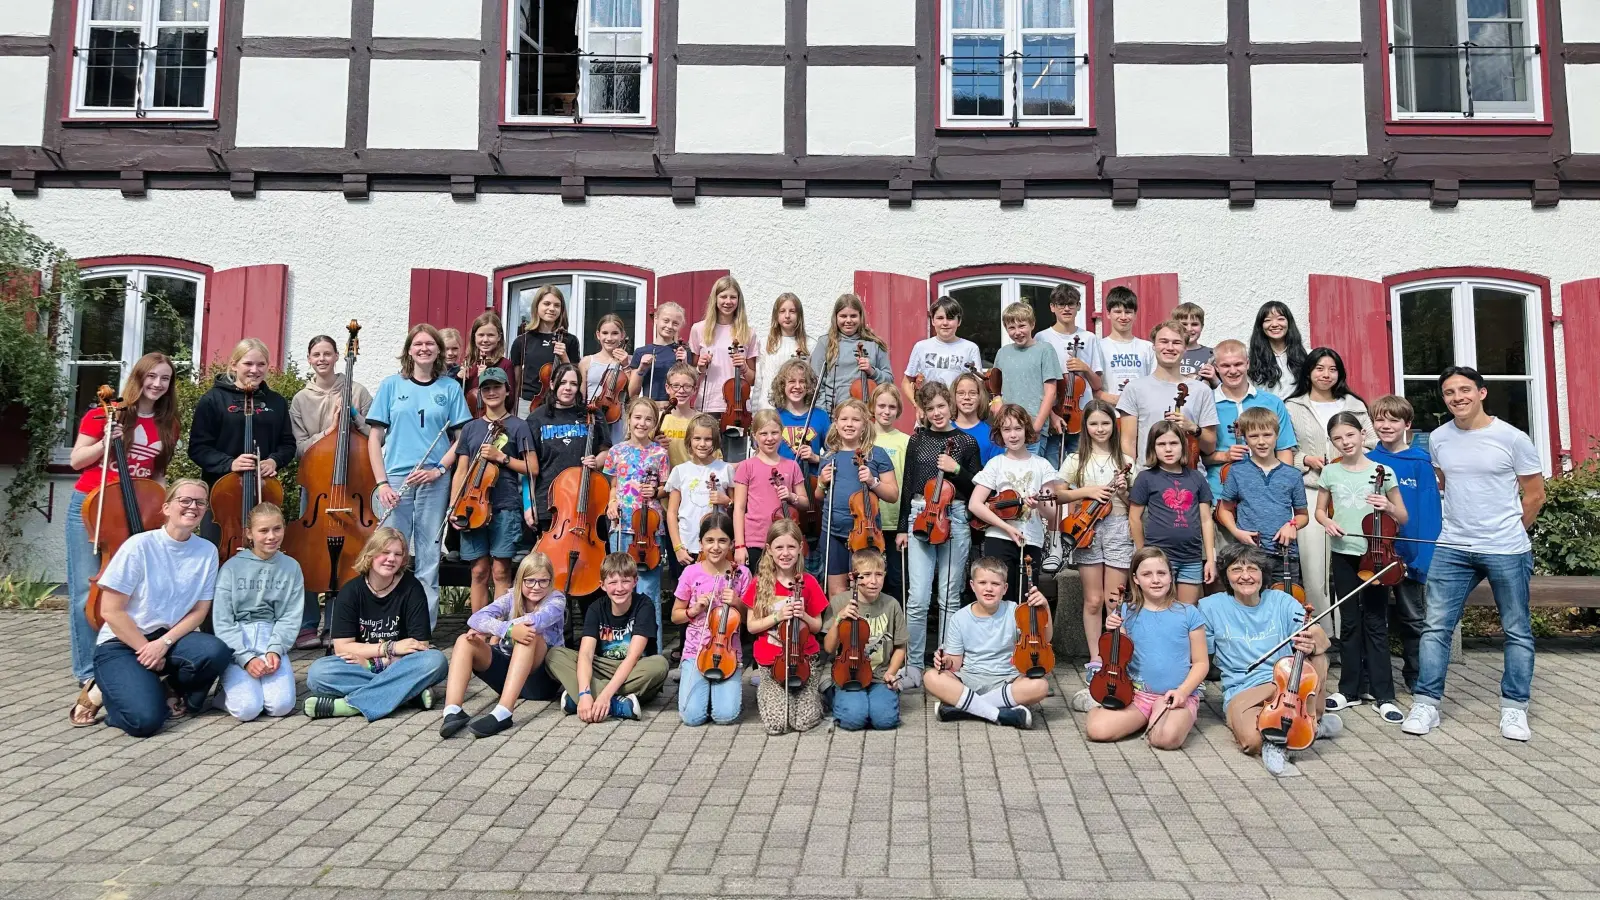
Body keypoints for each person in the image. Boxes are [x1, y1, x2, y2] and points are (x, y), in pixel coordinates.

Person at [1402, 367, 1544, 742]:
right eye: (1449, 392)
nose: (1457, 397)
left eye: (1465, 389)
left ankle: (1514, 709)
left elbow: (1534, 494)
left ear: (1481, 393)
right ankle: (1426, 704)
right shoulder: (1438, 438)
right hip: (1453, 546)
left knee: (1517, 630)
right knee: (1435, 627)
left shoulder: (1512, 438)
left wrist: (1514, 530)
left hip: (1505, 548)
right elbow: (1445, 483)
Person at [67, 352, 178, 727]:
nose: (157, 384)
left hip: (138, 512)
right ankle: (87, 670)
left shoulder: (167, 423)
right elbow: (77, 460)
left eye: (165, 379)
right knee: (89, 593)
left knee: (137, 595)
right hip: (95, 505)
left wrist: (160, 516)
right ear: (139, 378)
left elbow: (158, 476)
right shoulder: (105, 414)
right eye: (152, 377)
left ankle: (126, 661)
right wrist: (105, 444)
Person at [91, 479, 231, 738]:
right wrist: (146, 648)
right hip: (122, 641)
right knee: (144, 722)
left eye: (200, 502)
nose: (193, 507)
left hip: (168, 639)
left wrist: (163, 644)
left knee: (216, 651)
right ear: (166, 508)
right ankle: (105, 692)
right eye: (185, 500)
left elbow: (199, 611)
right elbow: (110, 611)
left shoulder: (207, 550)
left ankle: (169, 690)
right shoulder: (140, 545)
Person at [1201, 544, 1340, 775]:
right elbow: (1198, 656)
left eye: (1252, 569)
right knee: (1253, 742)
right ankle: (1305, 731)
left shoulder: (1282, 601)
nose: (1245, 576)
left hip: (1286, 686)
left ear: (1262, 573)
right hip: (1243, 689)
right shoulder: (1210, 607)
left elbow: (1322, 639)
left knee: (1319, 657)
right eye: (1236, 569)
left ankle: (1311, 721)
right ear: (1226, 574)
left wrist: (1312, 642)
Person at [366, 323, 469, 627]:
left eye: (430, 344)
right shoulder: (390, 386)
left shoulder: (450, 388)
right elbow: (375, 438)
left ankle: (423, 627)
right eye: (418, 344)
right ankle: (387, 623)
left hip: (434, 481)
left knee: (427, 555)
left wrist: (440, 468)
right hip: (397, 479)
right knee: (390, 553)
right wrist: (382, 483)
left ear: (439, 350)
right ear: (409, 349)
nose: (424, 348)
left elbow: (462, 437)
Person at [1315, 411, 1408, 722]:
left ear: (1360, 434)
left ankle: (1384, 694)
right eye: (1338, 439)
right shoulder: (1330, 472)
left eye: (1350, 435)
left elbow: (1402, 516)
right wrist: (1328, 523)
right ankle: (1348, 690)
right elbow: (1319, 512)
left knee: (1375, 623)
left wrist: (1388, 506)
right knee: (1350, 622)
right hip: (1344, 552)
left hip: (1376, 556)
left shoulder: (1384, 470)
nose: (1345, 442)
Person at [304, 527, 448, 719]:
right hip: (366, 665)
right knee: (318, 673)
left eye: (398, 554)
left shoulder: (412, 588)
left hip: (398, 665)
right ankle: (409, 693)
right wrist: (389, 650)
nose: (391, 559)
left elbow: (420, 646)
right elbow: (342, 648)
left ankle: (350, 705)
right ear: (370, 554)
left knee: (435, 661)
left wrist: (378, 663)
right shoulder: (351, 592)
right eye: (385, 552)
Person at [288, 334, 374, 647]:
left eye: (328, 353)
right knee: (307, 553)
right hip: (316, 488)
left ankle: (339, 624)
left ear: (338, 356)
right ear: (309, 359)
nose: (322, 359)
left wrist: (354, 417)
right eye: (316, 354)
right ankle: (309, 623)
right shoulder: (301, 399)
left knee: (350, 556)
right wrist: (328, 431)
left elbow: (375, 437)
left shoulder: (358, 391)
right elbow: (298, 449)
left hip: (352, 489)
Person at [1078, 547, 1208, 749]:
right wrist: (1114, 631)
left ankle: (1162, 717)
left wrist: (1183, 691)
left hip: (1175, 695)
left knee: (1165, 740)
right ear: (1136, 579)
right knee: (1097, 731)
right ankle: (1115, 709)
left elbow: (1201, 663)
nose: (1155, 580)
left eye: (1161, 573)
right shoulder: (1126, 612)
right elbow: (1118, 658)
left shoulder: (1188, 613)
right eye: (1147, 574)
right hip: (1137, 695)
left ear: (1170, 577)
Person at [898, 381, 982, 690]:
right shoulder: (917, 440)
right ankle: (914, 666)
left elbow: (978, 485)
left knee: (949, 597)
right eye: (930, 408)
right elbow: (908, 482)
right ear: (922, 410)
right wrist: (900, 531)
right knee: (918, 598)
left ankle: (947, 663)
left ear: (951, 405)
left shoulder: (966, 442)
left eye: (941, 406)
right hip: (920, 515)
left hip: (955, 517)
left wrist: (956, 468)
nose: (936, 413)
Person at [1048, 399, 1134, 685]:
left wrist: (1122, 492)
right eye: (1094, 423)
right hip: (1087, 531)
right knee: (1094, 600)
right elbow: (1059, 494)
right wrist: (1088, 491)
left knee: (1115, 600)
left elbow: (1136, 504)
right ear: (1085, 426)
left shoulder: (1125, 459)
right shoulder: (1076, 459)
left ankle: (1117, 657)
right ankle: (1096, 658)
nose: (1100, 429)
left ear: (1114, 425)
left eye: (1105, 423)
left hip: (1119, 528)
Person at [1286, 347, 1374, 618]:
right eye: (1319, 369)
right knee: (1314, 566)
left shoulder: (1353, 404)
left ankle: (1351, 627)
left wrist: (1347, 460)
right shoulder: (1293, 406)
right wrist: (1306, 460)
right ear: (1309, 372)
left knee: (1351, 560)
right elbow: (1287, 450)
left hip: (1350, 492)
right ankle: (1322, 632)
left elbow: (1371, 442)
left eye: (1332, 369)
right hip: (1311, 490)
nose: (1326, 375)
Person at [440, 550, 565, 738]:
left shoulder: (556, 600)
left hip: (541, 680)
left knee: (527, 634)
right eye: (530, 581)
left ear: (550, 581)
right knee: (465, 641)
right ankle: (452, 710)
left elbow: (534, 622)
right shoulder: (511, 597)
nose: (536, 587)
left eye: (543, 581)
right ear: (520, 580)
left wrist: (495, 628)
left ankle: (503, 713)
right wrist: (506, 630)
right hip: (509, 673)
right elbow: (476, 618)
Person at [187, 338, 296, 543]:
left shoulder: (276, 402)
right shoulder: (213, 399)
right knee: (217, 547)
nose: (255, 370)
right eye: (248, 363)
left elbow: (288, 444)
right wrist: (230, 463)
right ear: (234, 365)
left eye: (261, 364)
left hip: (263, 489)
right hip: (221, 494)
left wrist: (274, 460)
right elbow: (198, 448)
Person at [922, 556, 1050, 729]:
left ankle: (965, 708)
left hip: (1007, 680)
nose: (989, 589)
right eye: (982, 583)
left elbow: (1045, 639)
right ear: (972, 585)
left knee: (1040, 686)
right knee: (931, 677)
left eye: (995, 584)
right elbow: (955, 664)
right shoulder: (960, 618)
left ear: (1004, 588)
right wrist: (945, 662)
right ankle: (1000, 714)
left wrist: (1045, 608)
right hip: (969, 680)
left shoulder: (1016, 611)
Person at [1368, 394, 1441, 692]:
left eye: (1393, 420)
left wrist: (1424, 556)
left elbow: (1429, 512)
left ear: (1407, 424)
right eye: (1380, 419)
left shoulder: (1419, 463)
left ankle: (1417, 677)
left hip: (1410, 553)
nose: (1385, 425)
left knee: (1413, 619)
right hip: (1375, 554)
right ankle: (1376, 679)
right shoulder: (1369, 461)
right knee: (1374, 619)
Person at [448, 367, 534, 613]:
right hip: (471, 506)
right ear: (479, 393)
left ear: (507, 390)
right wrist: (455, 505)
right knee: (478, 570)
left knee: (500, 570)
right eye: (486, 388)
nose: (492, 392)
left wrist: (502, 458)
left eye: (497, 387)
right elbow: (461, 469)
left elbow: (532, 467)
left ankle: (498, 631)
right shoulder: (471, 428)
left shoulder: (519, 426)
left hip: (505, 506)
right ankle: (478, 628)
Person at [547, 553, 670, 722]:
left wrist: (604, 695)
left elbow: (632, 657)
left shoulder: (644, 605)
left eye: (626, 581)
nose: (619, 588)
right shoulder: (596, 608)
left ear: (635, 582)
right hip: (602, 666)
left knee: (660, 665)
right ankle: (616, 704)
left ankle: (580, 699)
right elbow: (586, 655)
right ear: (602, 585)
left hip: (634, 669)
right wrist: (584, 694)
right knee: (554, 655)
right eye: (612, 582)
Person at [212, 503, 303, 722]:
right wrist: (245, 657)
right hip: (238, 640)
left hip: (270, 635)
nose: (271, 536)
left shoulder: (291, 567)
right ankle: (222, 694)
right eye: (263, 531)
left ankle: (258, 683)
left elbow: (290, 615)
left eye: (277, 529)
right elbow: (223, 619)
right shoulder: (232, 568)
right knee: (247, 710)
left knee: (281, 706)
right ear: (249, 533)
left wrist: (275, 649)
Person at [595, 397, 671, 647]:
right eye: (638, 417)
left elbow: (665, 488)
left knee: (648, 591)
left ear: (654, 423)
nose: (642, 423)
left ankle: (652, 651)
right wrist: (612, 502)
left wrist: (656, 492)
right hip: (622, 526)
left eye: (648, 419)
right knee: (619, 588)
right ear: (629, 419)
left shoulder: (660, 453)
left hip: (649, 530)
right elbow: (613, 485)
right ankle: (618, 648)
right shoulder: (617, 451)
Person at [741, 519, 830, 734]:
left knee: (802, 723)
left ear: (800, 548)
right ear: (769, 550)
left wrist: (804, 615)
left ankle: (817, 698)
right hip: (771, 662)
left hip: (803, 661)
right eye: (779, 547)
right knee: (777, 725)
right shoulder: (760, 583)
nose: (785, 553)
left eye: (791, 547)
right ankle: (770, 691)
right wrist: (777, 616)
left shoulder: (808, 582)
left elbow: (817, 626)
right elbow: (751, 626)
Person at [970, 404, 1060, 602]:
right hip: (999, 537)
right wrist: (1006, 527)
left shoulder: (1042, 465)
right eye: (1006, 429)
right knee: (999, 597)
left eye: (1018, 428)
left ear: (1026, 430)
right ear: (1000, 432)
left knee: (1027, 598)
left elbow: (1051, 513)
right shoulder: (996, 463)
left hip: (1031, 539)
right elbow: (975, 504)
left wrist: (1038, 505)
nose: (1013, 435)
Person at [671, 513, 751, 726]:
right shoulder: (691, 573)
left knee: (725, 716)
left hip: (728, 654)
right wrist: (694, 609)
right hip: (696, 652)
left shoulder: (741, 574)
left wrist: (737, 602)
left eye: (722, 541)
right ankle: (705, 694)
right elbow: (675, 616)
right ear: (700, 543)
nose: (715, 547)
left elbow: (749, 622)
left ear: (731, 544)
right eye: (710, 540)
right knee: (692, 717)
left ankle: (720, 694)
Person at [815, 398, 898, 597]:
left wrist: (872, 481)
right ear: (836, 422)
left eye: (855, 420)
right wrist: (821, 482)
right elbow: (818, 497)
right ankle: (841, 628)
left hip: (866, 533)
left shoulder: (875, 454)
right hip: (833, 532)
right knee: (836, 592)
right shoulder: (828, 456)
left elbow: (893, 494)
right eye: (844, 419)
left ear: (864, 424)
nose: (849, 424)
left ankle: (862, 628)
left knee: (864, 591)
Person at [1215, 406, 1308, 582]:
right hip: (1249, 555)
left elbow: (1303, 515)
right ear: (1245, 438)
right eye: (1254, 436)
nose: (1261, 442)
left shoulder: (1292, 474)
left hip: (1285, 554)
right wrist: (1237, 532)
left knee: (1284, 604)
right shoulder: (1237, 471)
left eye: (1267, 435)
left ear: (1277, 435)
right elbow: (1224, 509)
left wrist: (1292, 525)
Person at [1129, 421, 1216, 604]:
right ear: (1153, 447)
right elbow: (1134, 518)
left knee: (1185, 612)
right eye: (1161, 444)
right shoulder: (1146, 478)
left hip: (1191, 558)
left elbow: (1206, 520)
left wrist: (1210, 558)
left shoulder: (1196, 478)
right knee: (1158, 609)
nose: (1168, 449)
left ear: (1183, 446)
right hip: (1158, 557)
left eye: (1173, 443)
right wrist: (1142, 553)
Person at [821, 549, 907, 731]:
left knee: (885, 721)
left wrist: (890, 673)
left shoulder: (891, 604)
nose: (873, 581)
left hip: (879, 676)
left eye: (879, 575)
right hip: (848, 675)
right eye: (866, 575)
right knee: (854, 720)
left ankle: (872, 704)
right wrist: (839, 619)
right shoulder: (839, 602)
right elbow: (829, 648)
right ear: (854, 577)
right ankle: (840, 698)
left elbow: (900, 647)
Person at [1116, 320, 1218, 472]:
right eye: (1164, 341)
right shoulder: (1134, 388)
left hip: (1190, 478)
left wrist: (1193, 428)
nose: (1170, 347)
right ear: (1154, 346)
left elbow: (1209, 447)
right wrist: (1130, 479)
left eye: (1177, 343)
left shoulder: (1201, 390)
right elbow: (1128, 443)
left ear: (1185, 348)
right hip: (1148, 478)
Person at [1205, 339, 1295, 500]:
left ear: (1247, 364)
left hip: (1266, 493)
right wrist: (1224, 456)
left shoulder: (1272, 402)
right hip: (1219, 493)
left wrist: (1281, 488)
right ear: (1216, 368)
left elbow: (1284, 450)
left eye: (1238, 364)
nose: (1233, 371)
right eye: (1225, 366)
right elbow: (1197, 456)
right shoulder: (1206, 403)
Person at [688, 275, 759, 461]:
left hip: (737, 410)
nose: (728, 302)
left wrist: (743, 367)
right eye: (723, 296)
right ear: (715, 299)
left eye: (732, 297)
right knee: (705, 460)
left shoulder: (748, 332)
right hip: (708, 403)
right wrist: (700, 366)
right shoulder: (699, 329)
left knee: (735, 461)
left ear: (739, 300)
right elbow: (692, 375)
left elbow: (751, 379)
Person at [732, 409, 809, 574]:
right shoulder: (747, 466)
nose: (769, 438)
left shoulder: (791, 465)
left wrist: (791, 496)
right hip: (755, 539)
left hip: (785, 543)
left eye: (774, 433)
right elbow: (739, 508)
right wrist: (739, 545)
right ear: (754, 435)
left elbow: (804, 502)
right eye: (763, 433)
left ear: (781, 434)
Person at [1035, 283, 1104, 464]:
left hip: (1082, 417)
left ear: (1078, 306)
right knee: (1051, 468)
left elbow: (1097, 385)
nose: (1066, 309)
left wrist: (1085, 368)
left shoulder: (1089, 338)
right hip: (1053, 415)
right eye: (1060, 304)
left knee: (1080, 469)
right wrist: (1051, 414)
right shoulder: (1042, 338)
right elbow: (1037, 384)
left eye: (1071, 304)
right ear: (1052, 307)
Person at [990, 301, 1061, 456]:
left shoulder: (1044, 350)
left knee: (1032, 476)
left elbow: (1050, 393)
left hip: (1034, 429)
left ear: (1032, 324)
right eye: (1011, 328)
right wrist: (999, 409)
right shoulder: (1003, 353)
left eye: (1022, 326)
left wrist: (1036, 426)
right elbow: (997, 389)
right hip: (1009, 429)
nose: (1017, 332)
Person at [666, 414, 735, 572]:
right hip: (687, 546)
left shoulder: (725, 469)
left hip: (717, 547)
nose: (702, 444)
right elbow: (671, 513)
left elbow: (737, 508)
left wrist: (727, 501)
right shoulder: (680, 471)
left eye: (708, 439)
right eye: (697, 438)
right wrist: (678, 547)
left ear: (715, 441)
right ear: (689, 440)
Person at [809, 292, 892, 413]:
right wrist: (823, 413)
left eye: (853, 316)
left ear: (860, 317)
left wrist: (872, 371)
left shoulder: (874, 344)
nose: (848, 320)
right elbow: (815, 382)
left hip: (867, 413)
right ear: (836, 317)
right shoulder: (825, 343)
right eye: (843, 316)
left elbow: (889, 380)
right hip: (834, 413)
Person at [902, 296, 981, 416]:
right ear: (933, 321)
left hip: (959, 416)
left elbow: (978, 384)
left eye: (950, 318)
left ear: (958, 321)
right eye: (940, 318)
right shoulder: (921, 347)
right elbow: (906, 382)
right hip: (930, 414)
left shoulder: (970, 348)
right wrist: (917, 405)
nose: (945, 323)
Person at [509, 284, 581, 416]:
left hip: (559, 404)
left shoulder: (570, 340)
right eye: (546, 304)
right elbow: (515, 380)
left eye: (557, 305)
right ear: (537, 306)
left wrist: (564, 357)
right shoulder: (522, 341)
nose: (551, 309)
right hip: (527, 404)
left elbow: (575, 376)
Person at [871, 383, 910, 603]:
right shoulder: (864, 438)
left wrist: (904, 524)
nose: (886, 411)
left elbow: (908, 484)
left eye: (892, 407)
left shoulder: (905, 441)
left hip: (895, 520)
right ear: (873, 407)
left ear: (898, 410)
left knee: (897, 579)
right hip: (868, 521)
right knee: (871, 577)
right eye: (882, 406)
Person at [578, 313, 635, 444]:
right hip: (591, 417)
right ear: (598, 335)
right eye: (605, 333)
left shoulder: (630, 361)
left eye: (614, 333)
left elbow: (633, 394)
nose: (609, 338)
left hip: (618, 418)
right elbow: (581, 395)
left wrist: (626, 365)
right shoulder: (587, 361)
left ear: (622, 335)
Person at [752, 292, 809, 412]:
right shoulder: (765, 343)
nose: (787, 316)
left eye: (792, 311)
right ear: (776, 315)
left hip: (797, 410)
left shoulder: (809, 345)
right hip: (768, 408)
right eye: (782, 311)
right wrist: (755, 410)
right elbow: (759, 379)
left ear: (799, 315)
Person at [1098, 287, 1154, 405]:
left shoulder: (1147, 347)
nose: (1123, 317)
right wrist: (1113, 399)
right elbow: (1090, 387)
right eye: (1118, 312)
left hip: (1140, 413)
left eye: (1128, 312)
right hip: (1109, 416)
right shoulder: (1099, 347)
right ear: (1108, 314)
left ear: (1135, 315)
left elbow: (1154, 383)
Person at [629, 300, 690, 406]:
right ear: (656, 319)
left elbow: (690, 387)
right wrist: (641, 369)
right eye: (666, 321)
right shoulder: (641, 352)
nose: (670, 326)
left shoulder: (683, 352)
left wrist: (684, 364)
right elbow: (632, 393)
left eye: (675, 323)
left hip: (676, 408)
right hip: (650, 409)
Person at [1247, 301, 1309, 399]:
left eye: (1280, 319)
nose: (1275, 324)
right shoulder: (1251, 359)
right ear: (1260, 326)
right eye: (1268, 320)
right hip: (1265, 412)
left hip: (1298, 411)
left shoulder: (1307, 355)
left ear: (1289, 322)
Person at [460, 312, 514, 416]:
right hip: (469, 419)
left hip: (495, 419)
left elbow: (510, 400)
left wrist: (488, 377)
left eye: (490, 335)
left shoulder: (505, 364)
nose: (485, 340)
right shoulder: (468, 362)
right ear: (474, 336)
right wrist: (459, 379)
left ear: (499, 337)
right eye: (481, 335)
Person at [657, 362, 702, 467]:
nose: (681, 391)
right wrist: (653, 445)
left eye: (687, 386)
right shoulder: (658, 418)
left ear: (694, 389)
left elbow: (713, 457)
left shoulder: (701, 420)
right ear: (668, 388)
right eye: (676, 386)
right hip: (663, 479)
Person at [952, 370, 1000, 464]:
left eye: (973, 393)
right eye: (961, 393)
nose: (967, 397)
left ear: (980, 397)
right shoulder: (945, 431)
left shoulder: (991, 435)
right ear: (954, 396)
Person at [1171, 302, 1216, 386]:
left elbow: (1222, 389)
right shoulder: (1168, 352)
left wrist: (1214, 379)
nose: (1189, 329)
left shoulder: (1212, 354)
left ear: (1202, 326)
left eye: (1194, 324)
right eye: (1184, 324)